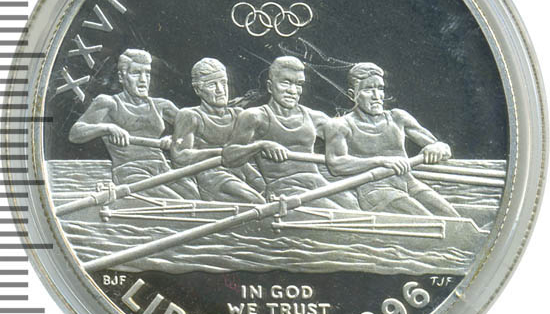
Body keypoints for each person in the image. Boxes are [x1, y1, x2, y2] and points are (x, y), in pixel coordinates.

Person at [223, 56, 358, 210]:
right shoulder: (254, 117)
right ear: (270, 86)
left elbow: (350, 140)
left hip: (316, 182)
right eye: (286, 83)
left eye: (298, 84)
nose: (293, 91)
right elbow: (228, 157)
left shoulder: (315, 117)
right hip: (284, 188)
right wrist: (261, 145)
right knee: (338, 213)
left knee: (354, 205)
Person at [325, 62, 459, 216]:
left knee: (453, 217)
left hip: (409, 184)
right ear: (352, 94)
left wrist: (438, 148)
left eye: (380, 88)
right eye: (368, 90)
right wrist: (381, 161)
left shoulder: (398, 117)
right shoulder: (340, 125)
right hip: (375, 190)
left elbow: (441, 147)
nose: (377, 96)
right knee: (432, 222)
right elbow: (336, 164)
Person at [69, 49, 199, 199]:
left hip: (162, 168)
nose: (143, 80)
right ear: (122, 77)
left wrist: (176, 139)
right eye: (136, 73)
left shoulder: (162, 105)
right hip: (130, 172)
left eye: (147, 73)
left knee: (195, 196)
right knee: (175, 201)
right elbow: (75, 133)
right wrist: (108, 128)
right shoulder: (108, 103)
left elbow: (194, 130)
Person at [171, 58, 265, 203]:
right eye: (212, 85)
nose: (220, 90)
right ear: (198, 90)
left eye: (223, 82)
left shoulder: (238, 115)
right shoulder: (190, 116)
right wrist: (222, 153)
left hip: (243, 171)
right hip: (211, 174)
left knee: (271, 192)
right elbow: (179, 157)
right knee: (256, 201)